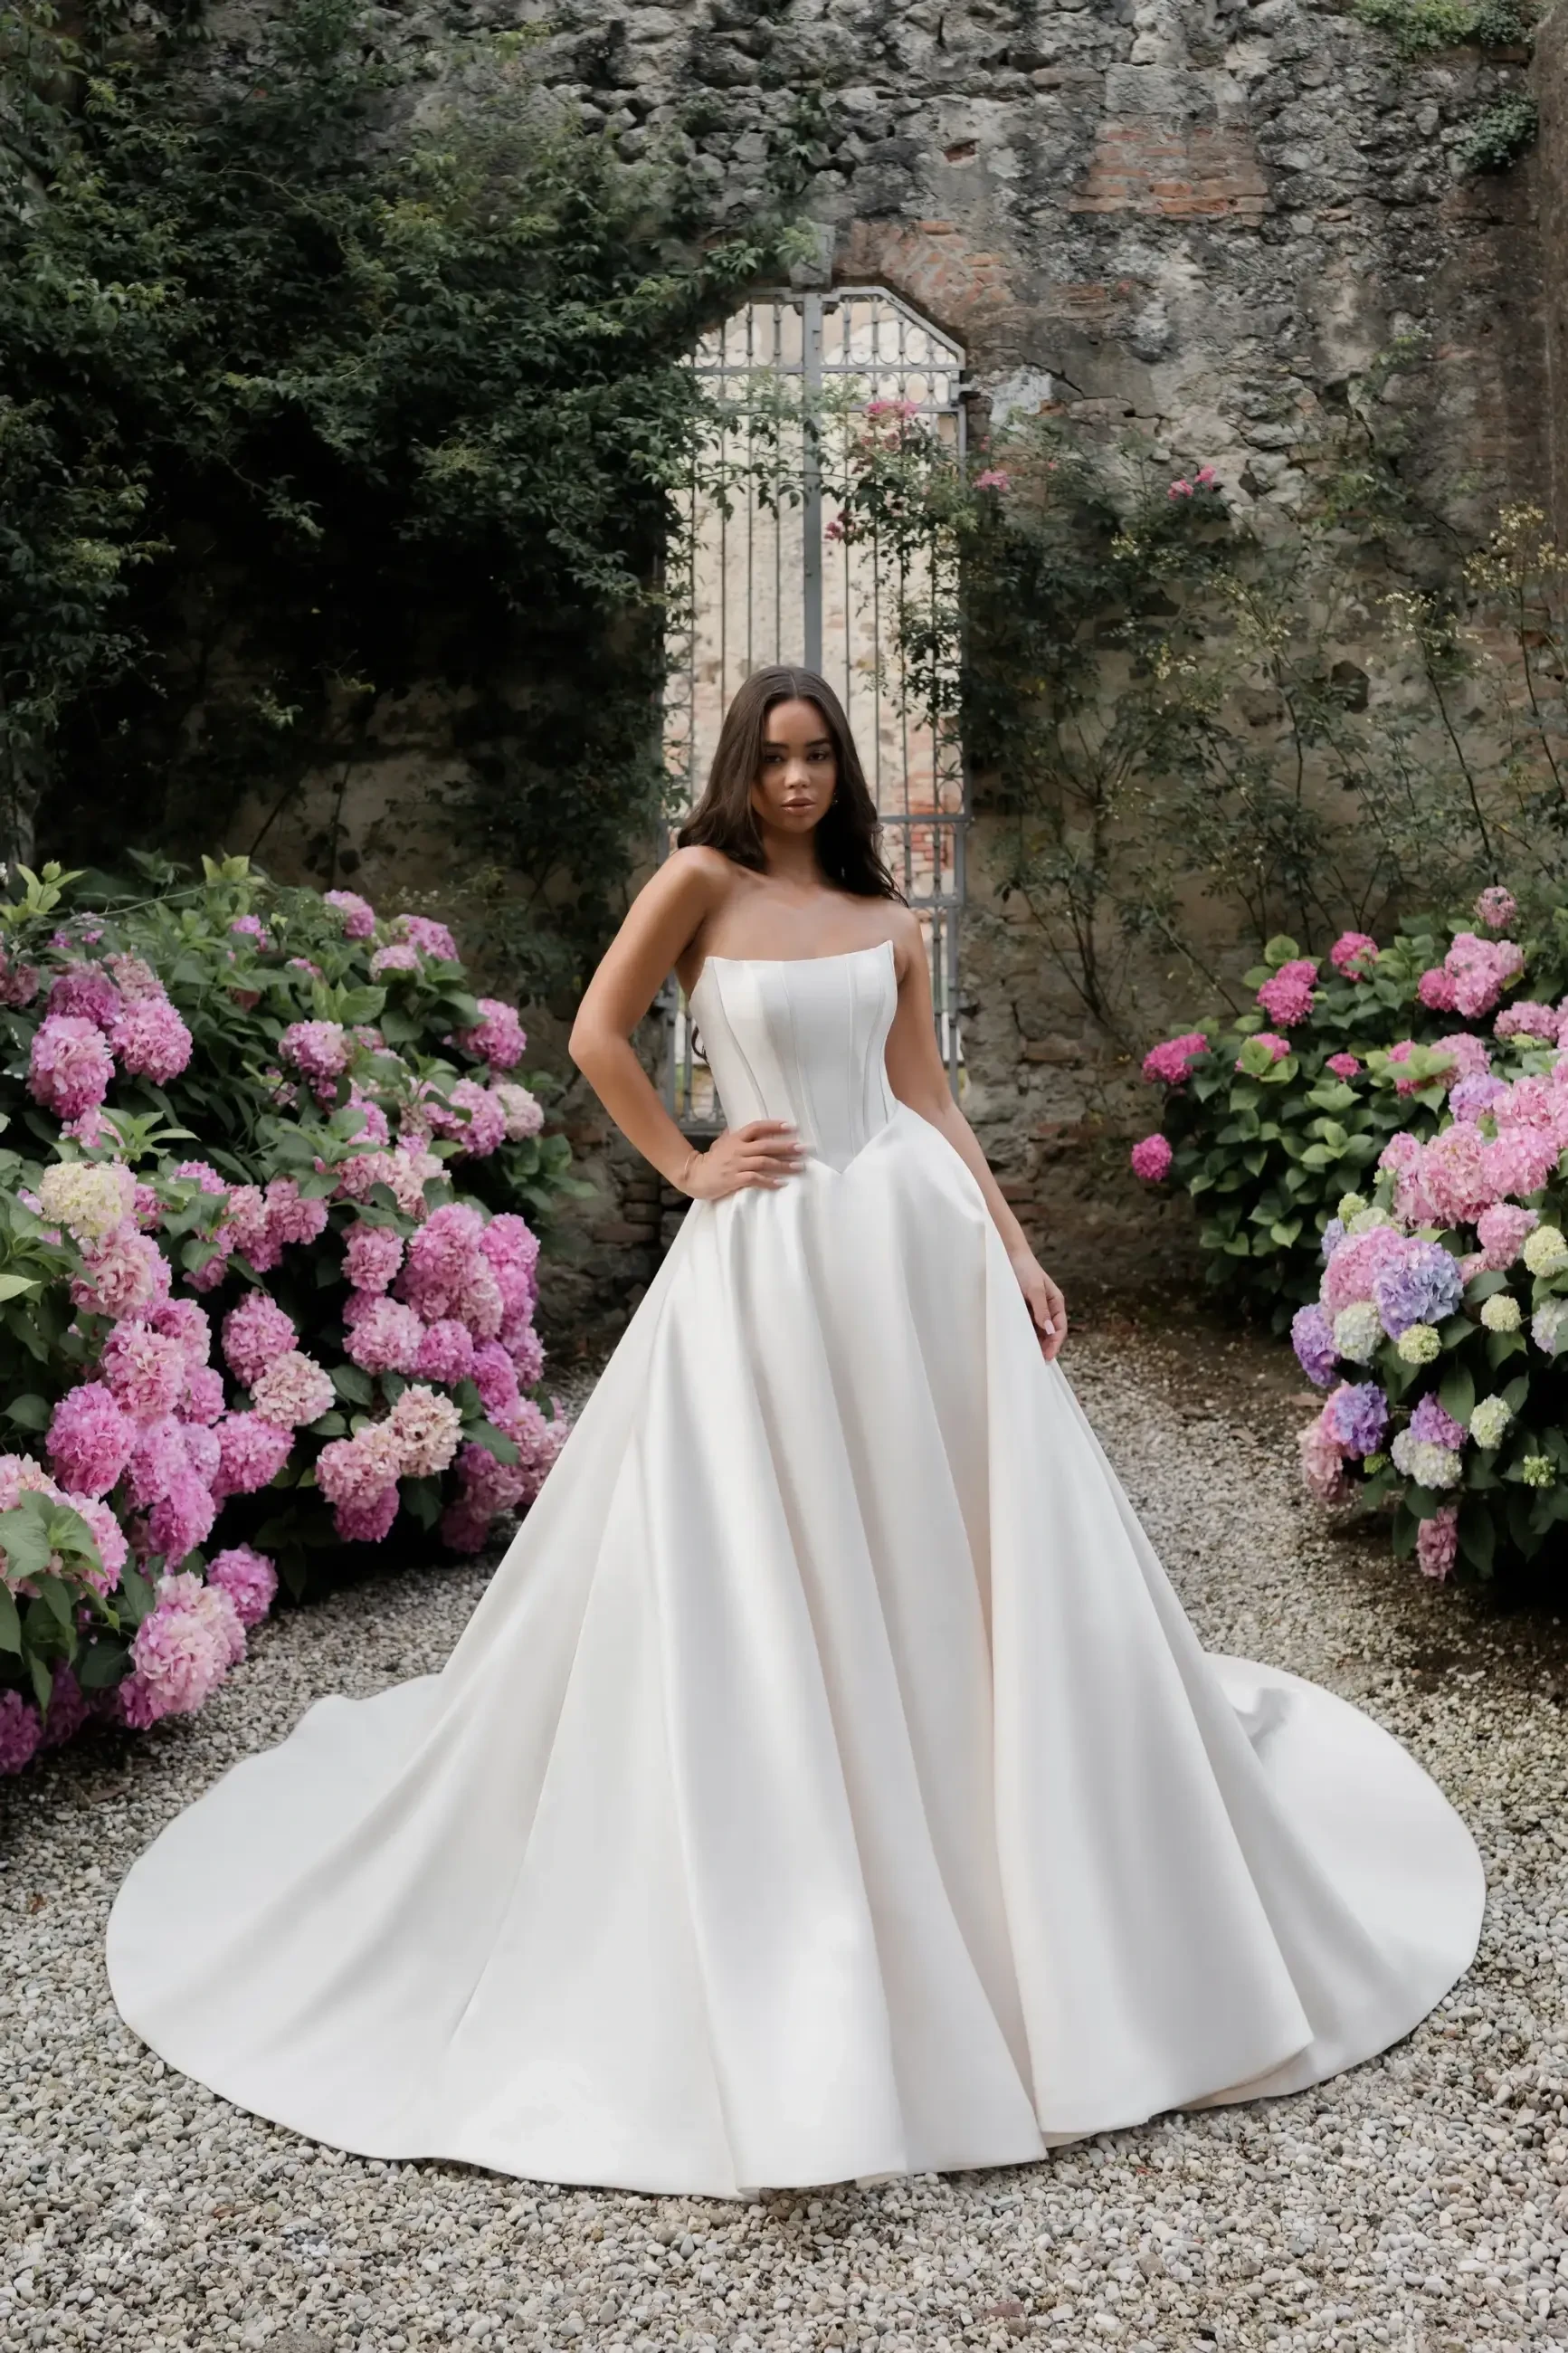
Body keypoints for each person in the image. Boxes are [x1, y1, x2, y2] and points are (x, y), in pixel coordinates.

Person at [107, 665, 1485, 2202]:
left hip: (912, 1248)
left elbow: (929, 1106)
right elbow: (596, 1037)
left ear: (845, 767)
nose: (798, 781)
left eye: (819, 755)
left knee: (950, 1537)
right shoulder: (697, 879)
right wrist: (689, 1164)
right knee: (771, 1541)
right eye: (774, 757)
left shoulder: (891, 922)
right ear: (738, 768)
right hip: (767, 1257)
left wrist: (1016, 1248)